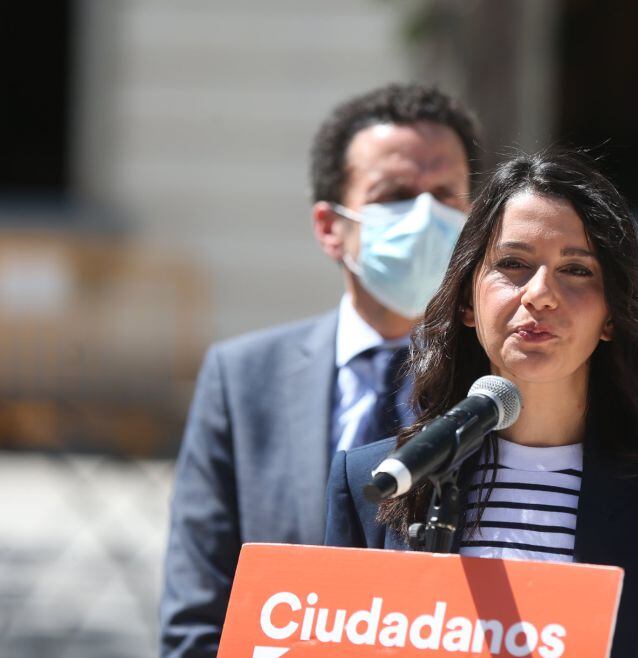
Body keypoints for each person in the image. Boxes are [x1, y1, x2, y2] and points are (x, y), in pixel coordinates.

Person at [324, 150, 638, 657]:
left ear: (611, 316)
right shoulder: (379, 480)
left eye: (577, 269)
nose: (540, 294)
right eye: (512, 264)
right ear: (467, 302)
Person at [160, 83, 481, 658]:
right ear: (330, 226)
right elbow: (197, 617)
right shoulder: (243, 379)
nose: (424, 217)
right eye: (396, 195)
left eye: (445, 196)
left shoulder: (503, 387)